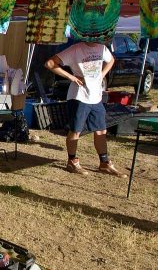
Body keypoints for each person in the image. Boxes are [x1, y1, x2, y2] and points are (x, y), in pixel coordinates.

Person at [45, 39, 122, 176]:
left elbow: (111, 60)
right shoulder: (75, 49)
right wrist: (71, 77)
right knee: (76, 130)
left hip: (96, 97)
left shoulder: (102, 48)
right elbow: (50, 63)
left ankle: (104, 163)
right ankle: (72, 161)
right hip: (79, 96)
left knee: (101, 130)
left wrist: (102, 74)